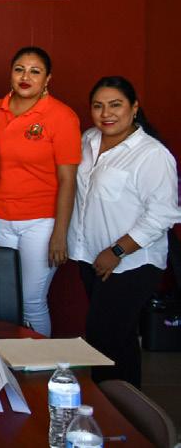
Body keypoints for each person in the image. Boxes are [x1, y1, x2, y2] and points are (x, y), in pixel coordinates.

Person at [68, 76, 181, 386]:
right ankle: (128, 406)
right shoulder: (88, 140)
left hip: (131, 263)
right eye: (98, 106)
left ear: (134, 108)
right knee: (120, 338)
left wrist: (117, 251)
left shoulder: (151, 154)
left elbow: (162, 214)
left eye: (115, 105)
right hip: (90, 257)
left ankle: (107, 404)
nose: (106, 113)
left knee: (103, 337)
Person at [0, 46, 80, 336]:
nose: (25, 77)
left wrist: (60, 234)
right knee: (4, 301)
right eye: (19, 69)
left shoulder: (61, 116)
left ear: (47, 78)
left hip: (40, 222)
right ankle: (6, 361)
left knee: (31, 302)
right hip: (0, 218)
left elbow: (68, 180)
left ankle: (39, 363)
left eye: (35, 71)